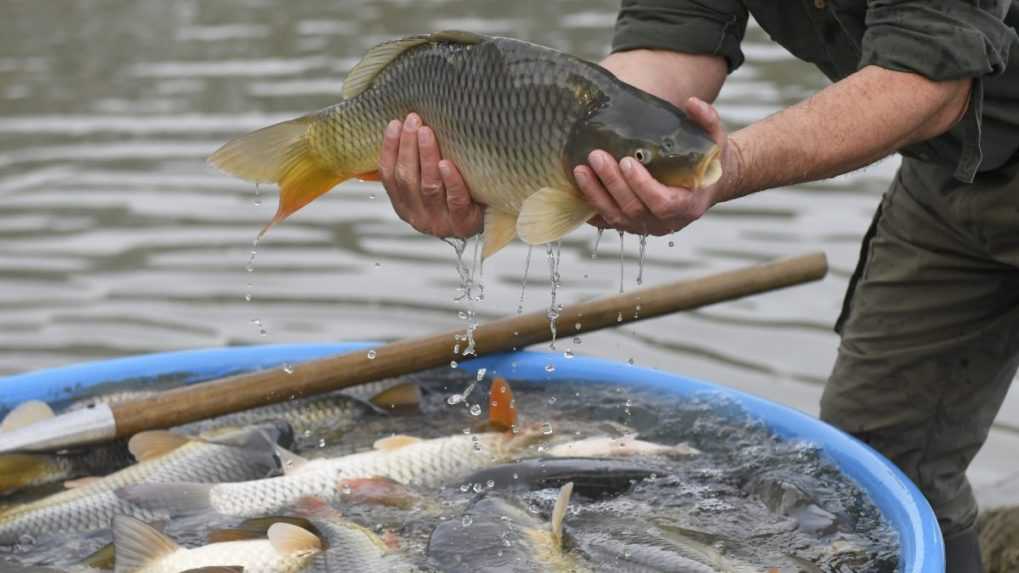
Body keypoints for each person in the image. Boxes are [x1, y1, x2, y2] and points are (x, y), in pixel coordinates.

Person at [378, 2, 1019, 570]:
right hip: (956, 185)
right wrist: (546, 158)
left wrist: (725, 166)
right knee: (883, 456)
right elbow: (667, 43)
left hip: (954, 132)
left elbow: (926, 81)